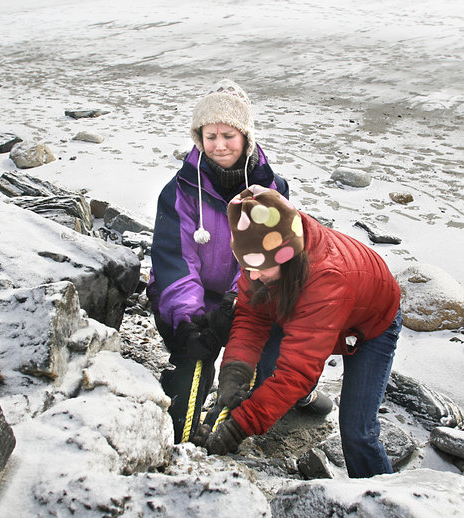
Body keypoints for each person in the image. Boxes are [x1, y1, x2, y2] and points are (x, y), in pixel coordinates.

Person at [149, 79, 324, 444]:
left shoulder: (272, 190)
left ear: (245, 136)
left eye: (228, 135)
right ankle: (182, 425)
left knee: (268, 376)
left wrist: (237, 301)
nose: (218, 145)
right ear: (199, 138)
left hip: (249, 297)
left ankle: (302, 397)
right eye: (209, 136)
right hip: (194, 305)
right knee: (192, 366)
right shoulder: (179, 191)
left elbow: (273, 255)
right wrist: (191, 320)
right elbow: (174, 263)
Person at [203, 185, 402, 478]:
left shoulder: (327, 279)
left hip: (370, 326)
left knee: (358, 432)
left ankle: (384, 499)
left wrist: (239, 427)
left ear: (288, 255)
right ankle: (300, 399)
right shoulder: (261, 244)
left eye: (260, 267)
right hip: (303, 310)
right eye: (247, 266)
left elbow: (297, 370)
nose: (253, 275)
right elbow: (250, 317)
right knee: (264, 382)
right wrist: (234, 371)